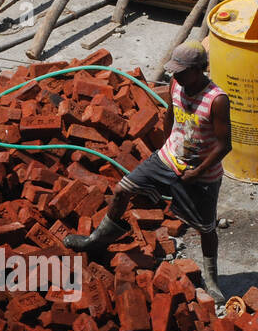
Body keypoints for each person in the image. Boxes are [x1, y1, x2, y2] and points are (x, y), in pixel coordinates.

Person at [64, 40, 231, 302]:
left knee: (206, 228)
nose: (175, 76)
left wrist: (197, 172)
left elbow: (224, 145)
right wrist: (166, 147)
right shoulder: (177, 84)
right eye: (174, 71)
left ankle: (212, 279)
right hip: (168, 159)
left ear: (200, 69)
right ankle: (96, 241)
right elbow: (170, 115)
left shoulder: (217, 100)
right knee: (121, 190)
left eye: (182, 71)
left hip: (202, 175)